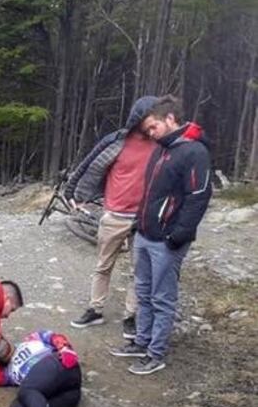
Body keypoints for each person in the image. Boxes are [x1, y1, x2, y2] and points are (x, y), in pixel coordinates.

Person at [111, 95, 212, 375]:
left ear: (170, 119)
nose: (151, 134)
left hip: (168, 241)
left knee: (162, 298)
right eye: (147, 130)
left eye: (153, 127)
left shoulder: (195, 152)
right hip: (145, 234)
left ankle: (156, 354)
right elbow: (150, 194)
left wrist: (179, 235)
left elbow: (198, 197)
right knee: (143, 293)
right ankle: (141, 342)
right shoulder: (161, 149)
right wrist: (138, 223)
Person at [65, 96, 159, 339]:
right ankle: (95, 310)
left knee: (139, 272)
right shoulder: (116, 141)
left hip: (144, 219)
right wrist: (71, 191)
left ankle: (131, 316)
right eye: (152, 115)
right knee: (103, 266)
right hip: (115, 215)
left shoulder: (162, 144)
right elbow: (89, 163)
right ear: (139, 117)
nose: (155, 121)